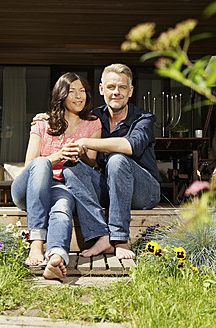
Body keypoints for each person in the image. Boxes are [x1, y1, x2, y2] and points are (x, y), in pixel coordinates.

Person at [33, 63, 161, 260]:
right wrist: (46, 117)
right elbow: (66, 115)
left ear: (130, 91)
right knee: (71, 168)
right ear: (102, 89)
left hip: (144, 191)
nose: (116, 92)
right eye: (111, 87)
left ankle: (119, 239)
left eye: (122, 87)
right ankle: (101, 235)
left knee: (118, 159)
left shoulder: (143, 119)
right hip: (111, 189)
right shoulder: (94, 118)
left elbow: (130, 146)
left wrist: (85, 142)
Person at [11, 72, 109, 280]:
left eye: (82, 91)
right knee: (40, 163)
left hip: (61, 187)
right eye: (72, 91)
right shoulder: (42, 123)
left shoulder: (93, 124)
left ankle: (56, 257)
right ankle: (36, 244)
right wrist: (58, 155)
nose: (79, 96)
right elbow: (31, 165)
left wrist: (79, 154)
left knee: (63, 207)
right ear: (61, 95)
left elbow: (90, 163)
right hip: (28, 189)